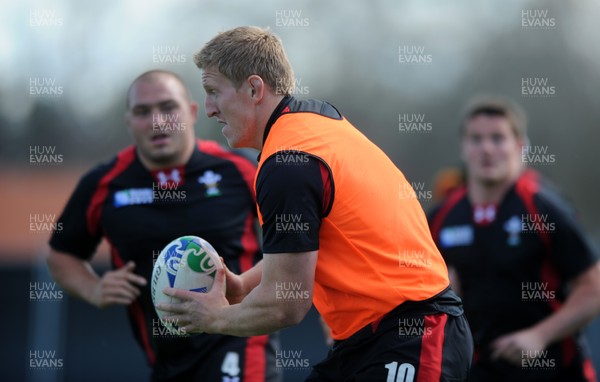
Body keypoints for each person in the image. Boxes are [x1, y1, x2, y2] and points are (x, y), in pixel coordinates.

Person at [156, 26, 473, 381]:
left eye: (214, 92)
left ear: (254, 88)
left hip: (417, 332)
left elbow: (286, 306)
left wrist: (212, 318)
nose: (210, 109)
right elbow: (309, 244)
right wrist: (243, 285)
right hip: (369, 341)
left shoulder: (286, 164)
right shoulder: (314, 121)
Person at [47, 70, 281, 382]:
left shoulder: (239, 171)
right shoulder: (104, 184)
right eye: (143, 112)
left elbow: (299, 242)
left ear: (192, 112)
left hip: (238, 344)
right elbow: (61, 254)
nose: (157, 121)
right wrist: (94, 288)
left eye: (168, 108)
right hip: (165, 362)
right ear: (129, 121)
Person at [428, 95, 600, 381]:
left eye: (497, 138)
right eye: (476, 139)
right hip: (476, 370)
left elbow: (593, 289)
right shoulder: (442, 216)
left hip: (553, 370)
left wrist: (539, 336)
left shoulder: (543, 207)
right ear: (463, 147)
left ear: (519, 146)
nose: (486, 148)